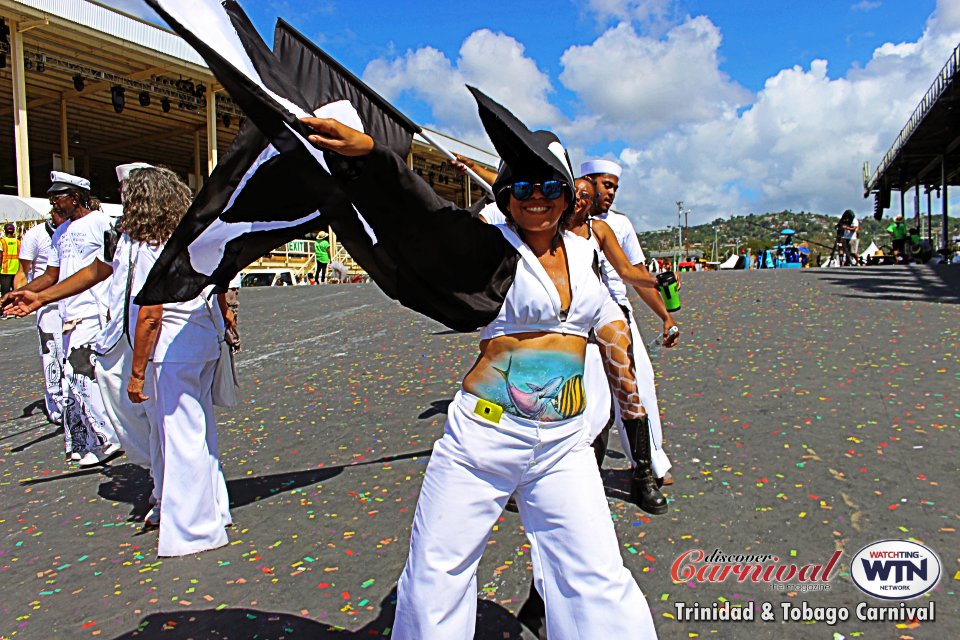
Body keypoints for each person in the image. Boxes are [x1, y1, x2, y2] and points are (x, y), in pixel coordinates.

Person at [300, 88, 659, 639]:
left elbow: (615, 343)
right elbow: (420, 210)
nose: (533, 198)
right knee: (437, 571)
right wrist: (370, 153)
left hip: (564, 444)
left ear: (566, 195)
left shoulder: (589, 257)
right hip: (482, 440)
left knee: (596, 574)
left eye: (546, 187)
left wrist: (638, 440)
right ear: (505, 195)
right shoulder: (487, 246)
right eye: (519, 187)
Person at [123, 166, 234, 555]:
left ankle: (193, 528)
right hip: (202, 341)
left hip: (172, 351)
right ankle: (215, 509)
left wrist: (136, 375)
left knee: (180, 438)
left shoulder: (154, 248)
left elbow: (149, 316)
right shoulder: (193, 238)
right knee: (202, 434)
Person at [2, 172, 121, 466]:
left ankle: (109, 438)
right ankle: (87, 440)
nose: (54, 203)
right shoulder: (59, 232)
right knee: (76, 379)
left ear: (76, 197)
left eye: (59, 196)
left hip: (93, 311)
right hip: (68, 312)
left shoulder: (100, 224)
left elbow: (109, 268)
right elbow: (51, 275)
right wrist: (23, 293)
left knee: (80, 376)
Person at [580, 159, 677, 494]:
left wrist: (666, 316)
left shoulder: (618, 224)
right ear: (585, 182)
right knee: (592, 400)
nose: (611, 194)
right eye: (606, 185)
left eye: (615, 188)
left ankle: (649, 463)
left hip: (619, 315)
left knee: (640, 389)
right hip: (581, 319)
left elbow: (632, 274)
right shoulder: (567, 218)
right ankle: (576, 470)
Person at [18, 210, 67, 424]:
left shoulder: (72, 231)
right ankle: (55, 404)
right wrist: (19, 299)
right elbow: (23, 271)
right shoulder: (35, 235)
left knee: (70, 354)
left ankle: (72, 401)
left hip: (71, 302)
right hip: (46, 305)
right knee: (51, 353)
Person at [1, 222, 22, 298]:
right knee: (15, 292)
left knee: (5, 293)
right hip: (17, 270)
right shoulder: (18, 242)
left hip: (5, 271)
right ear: (13, 231)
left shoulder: (2, 242)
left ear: (5, 231)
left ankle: (4, 309)